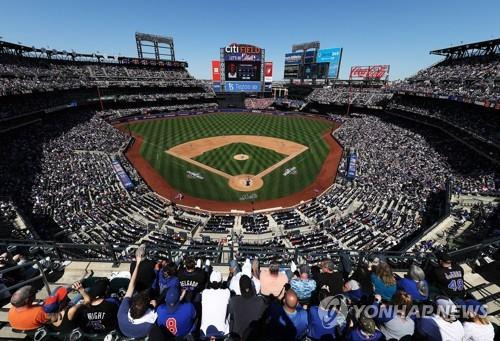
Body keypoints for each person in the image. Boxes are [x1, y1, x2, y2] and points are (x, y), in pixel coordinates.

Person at [118, 253, 157, 338]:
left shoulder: (121, 314)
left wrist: (137, 264)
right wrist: (155, 306)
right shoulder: (149, 324)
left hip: (125, 334)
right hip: (142, 335)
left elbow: (131, 285)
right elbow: (131, 285)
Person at [228, 275, 267, 340]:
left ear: (240, 288)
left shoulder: (233, 301)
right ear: (251, 287)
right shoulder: (260, 301)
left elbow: (231, 321)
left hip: (238, 338)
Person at [200, 270, 230, 338]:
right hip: (222, 331)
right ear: (221, 282)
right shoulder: (226, 293)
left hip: (204, 331)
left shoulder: (205, 293)